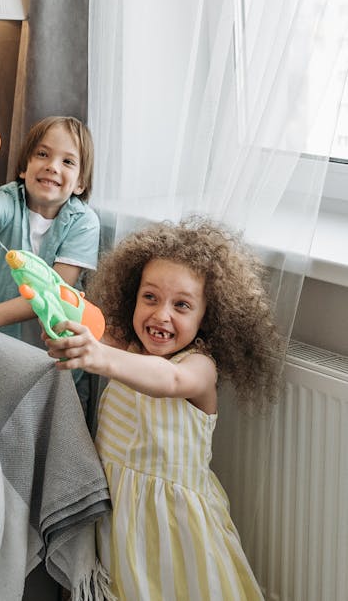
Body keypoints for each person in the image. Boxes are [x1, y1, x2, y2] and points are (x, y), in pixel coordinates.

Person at [43, 217, 284, 601]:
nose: (161, 315)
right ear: (132, 297)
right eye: (150, 297)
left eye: (182, 305)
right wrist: (65, 327)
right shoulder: (125, 347)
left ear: (208, 316)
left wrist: (99, 355)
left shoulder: (199, 368)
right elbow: (83, 324)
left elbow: (166, 381)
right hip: (117, 515)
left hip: (176, 527)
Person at [0, 116, 100, 344]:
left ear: (80, 183)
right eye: (43, 154)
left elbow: (52, 293)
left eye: (68, 162)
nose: (52, 166)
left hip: (56, 350)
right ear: (24, 168)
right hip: (3, 342)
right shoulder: (10, 199)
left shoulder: (84, 222)